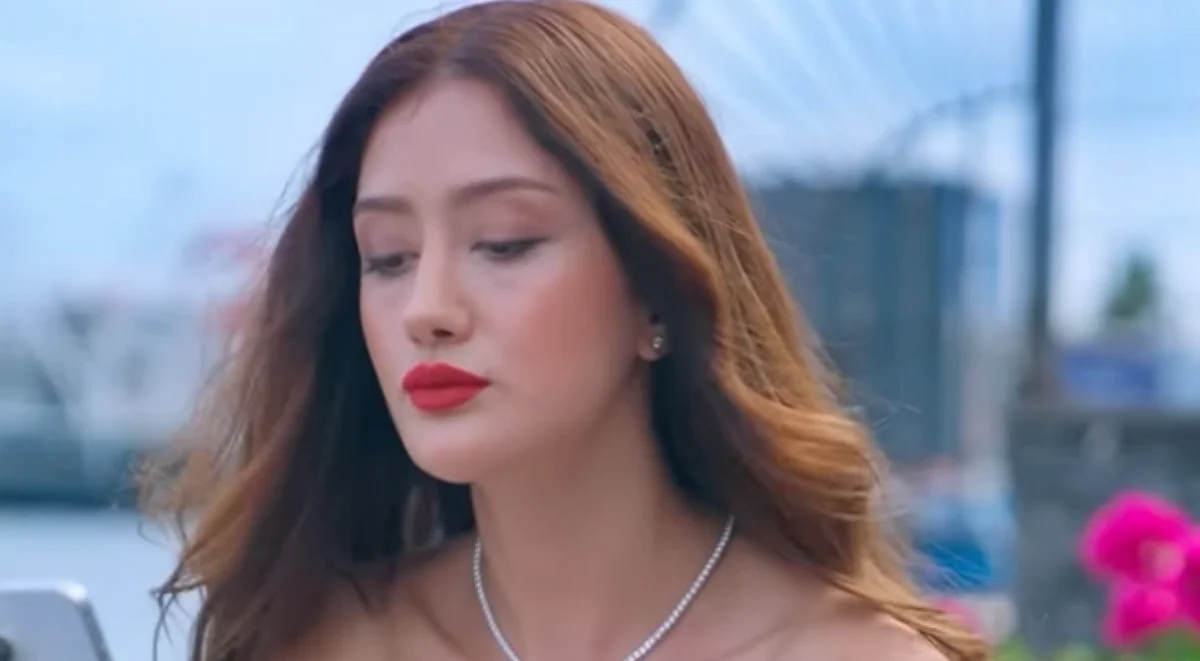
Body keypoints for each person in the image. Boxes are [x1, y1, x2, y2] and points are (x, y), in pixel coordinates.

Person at [141, 1, 989, 660]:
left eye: (504, 242)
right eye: (389, 256)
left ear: (656, 289)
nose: (427, 307)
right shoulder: (326, 640)